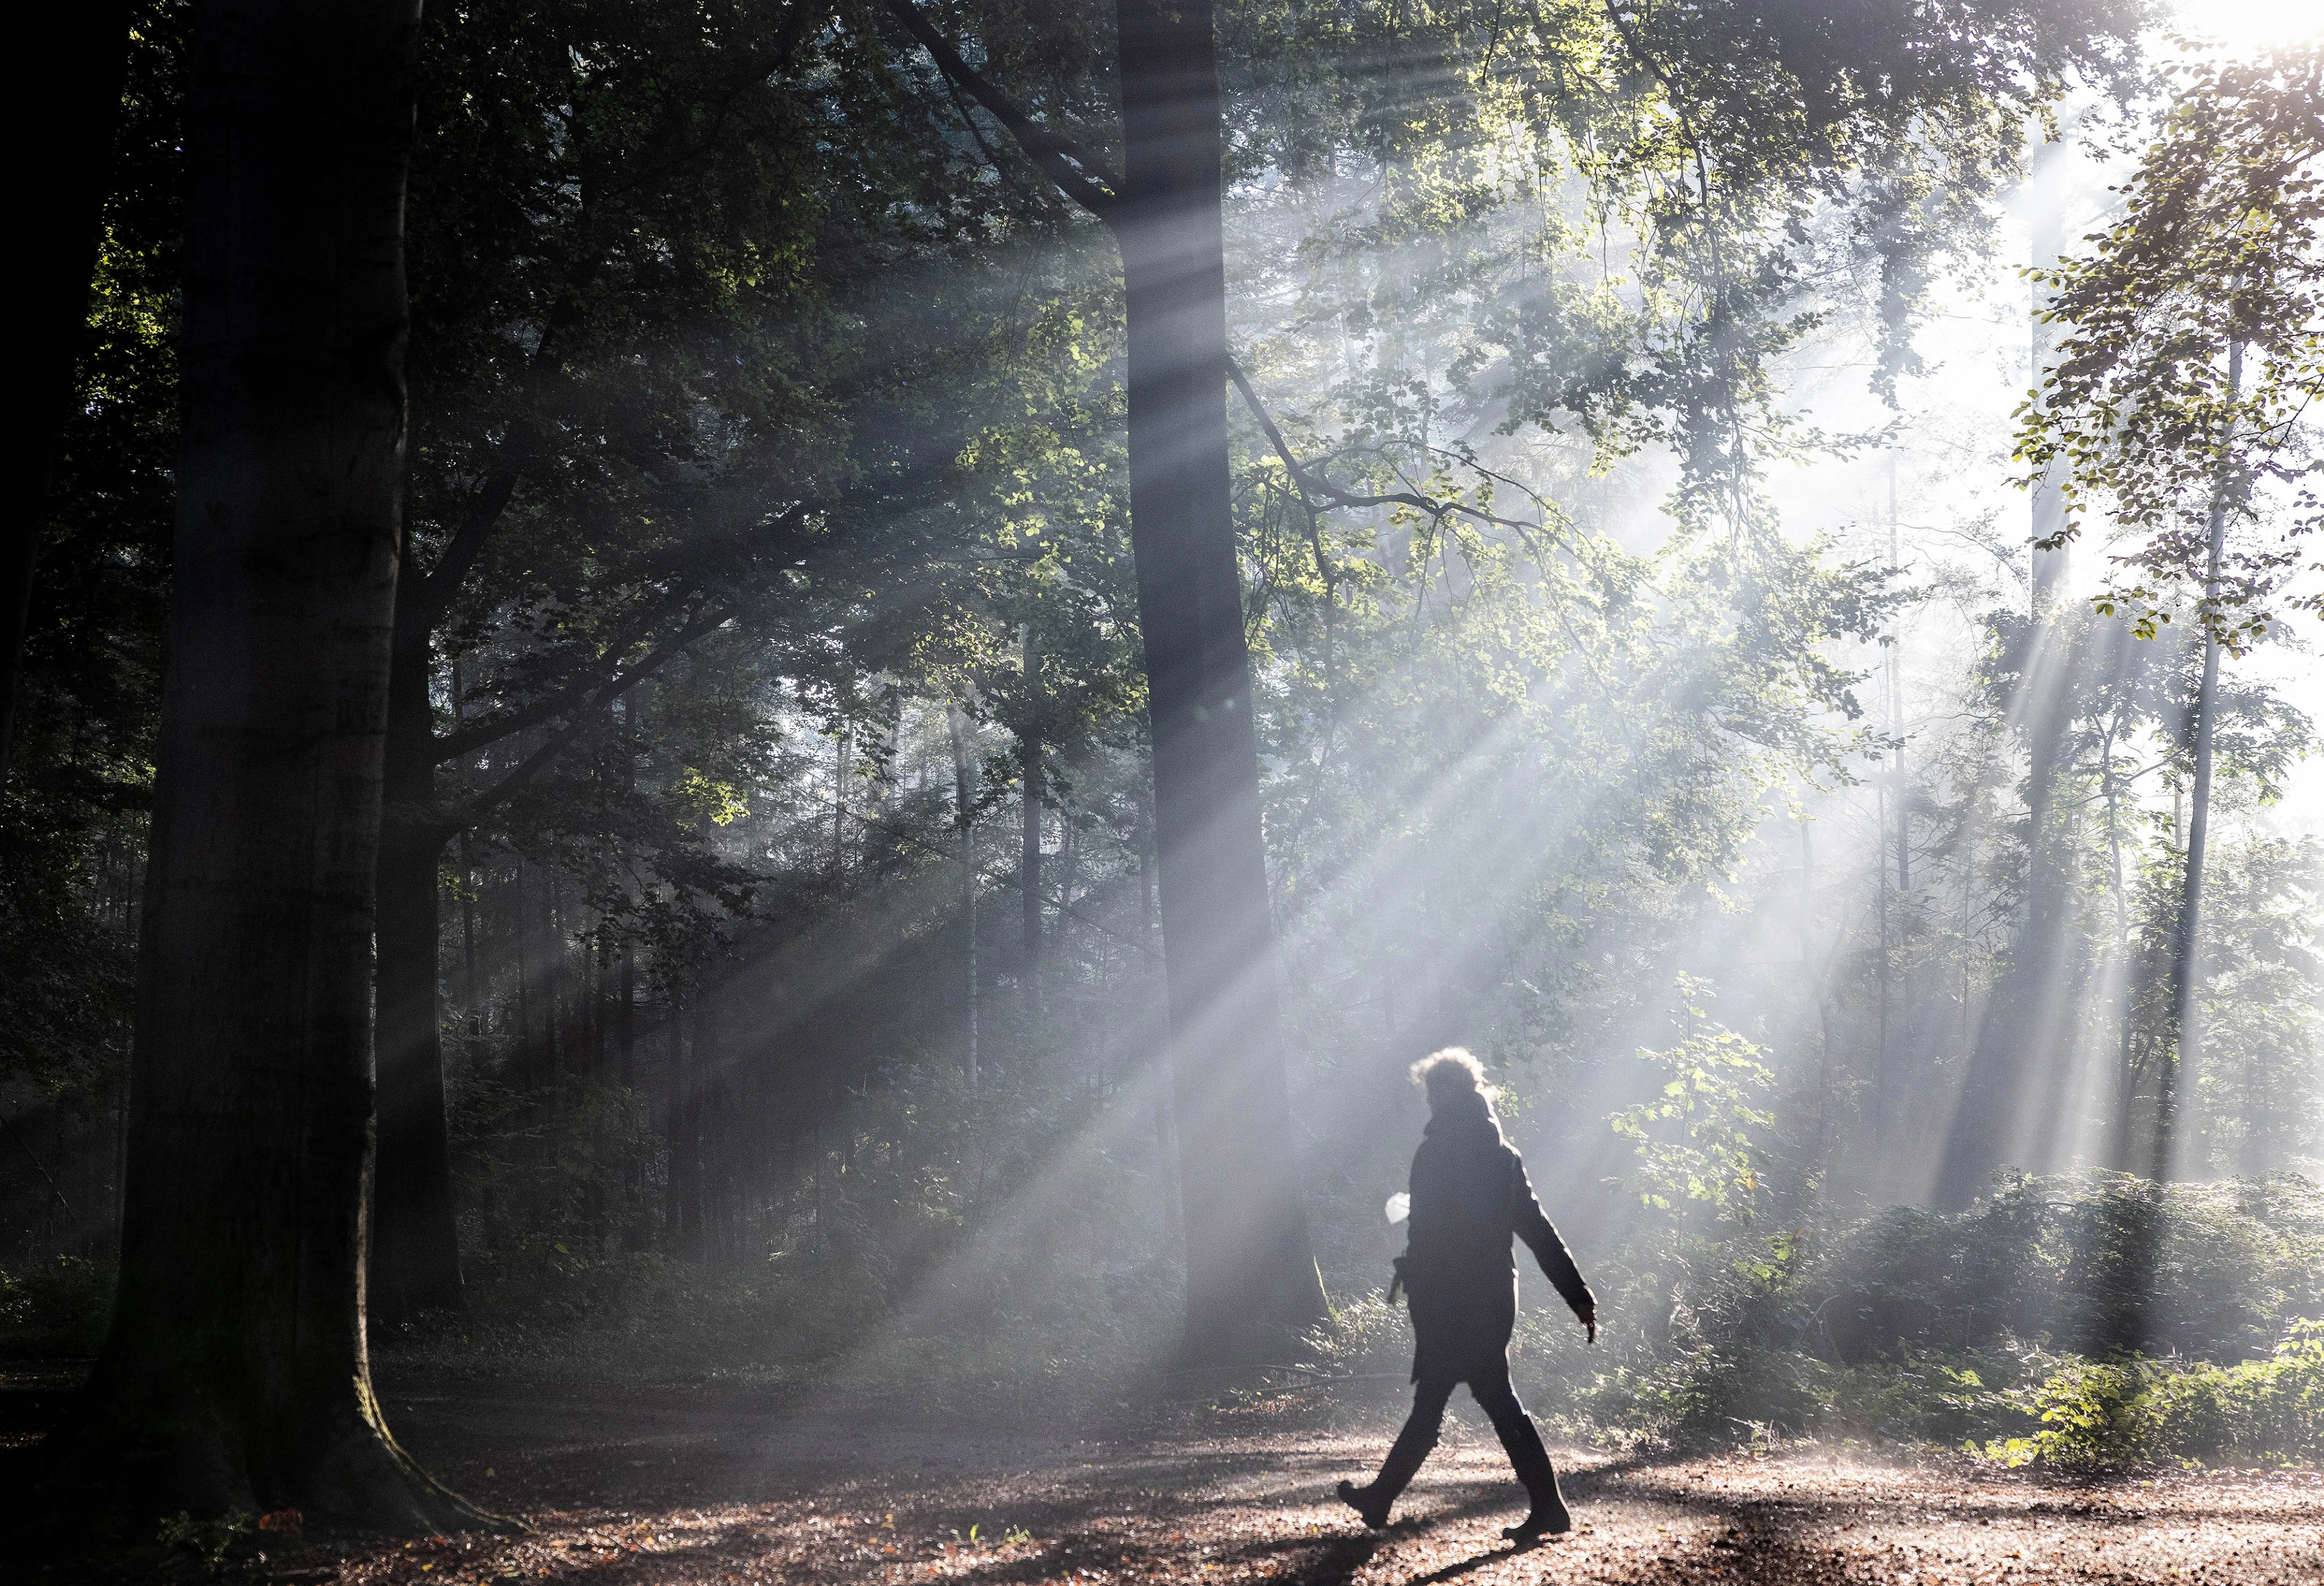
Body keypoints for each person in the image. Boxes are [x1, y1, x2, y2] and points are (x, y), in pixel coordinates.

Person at [1337, 1048, 1597, 1544]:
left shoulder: (1433, 1154)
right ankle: (1543, 1505)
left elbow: (1426, 1233)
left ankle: (1385, 1499)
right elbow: (1537, 1231)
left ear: (1440, 1095)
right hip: (1495, 1298)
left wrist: (1414, 1275)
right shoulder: (1502, 1157)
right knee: (1476, 1396)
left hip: (1449, 1300)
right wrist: (1578, 1293)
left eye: (1432, 1093)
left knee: (1457, 1397)